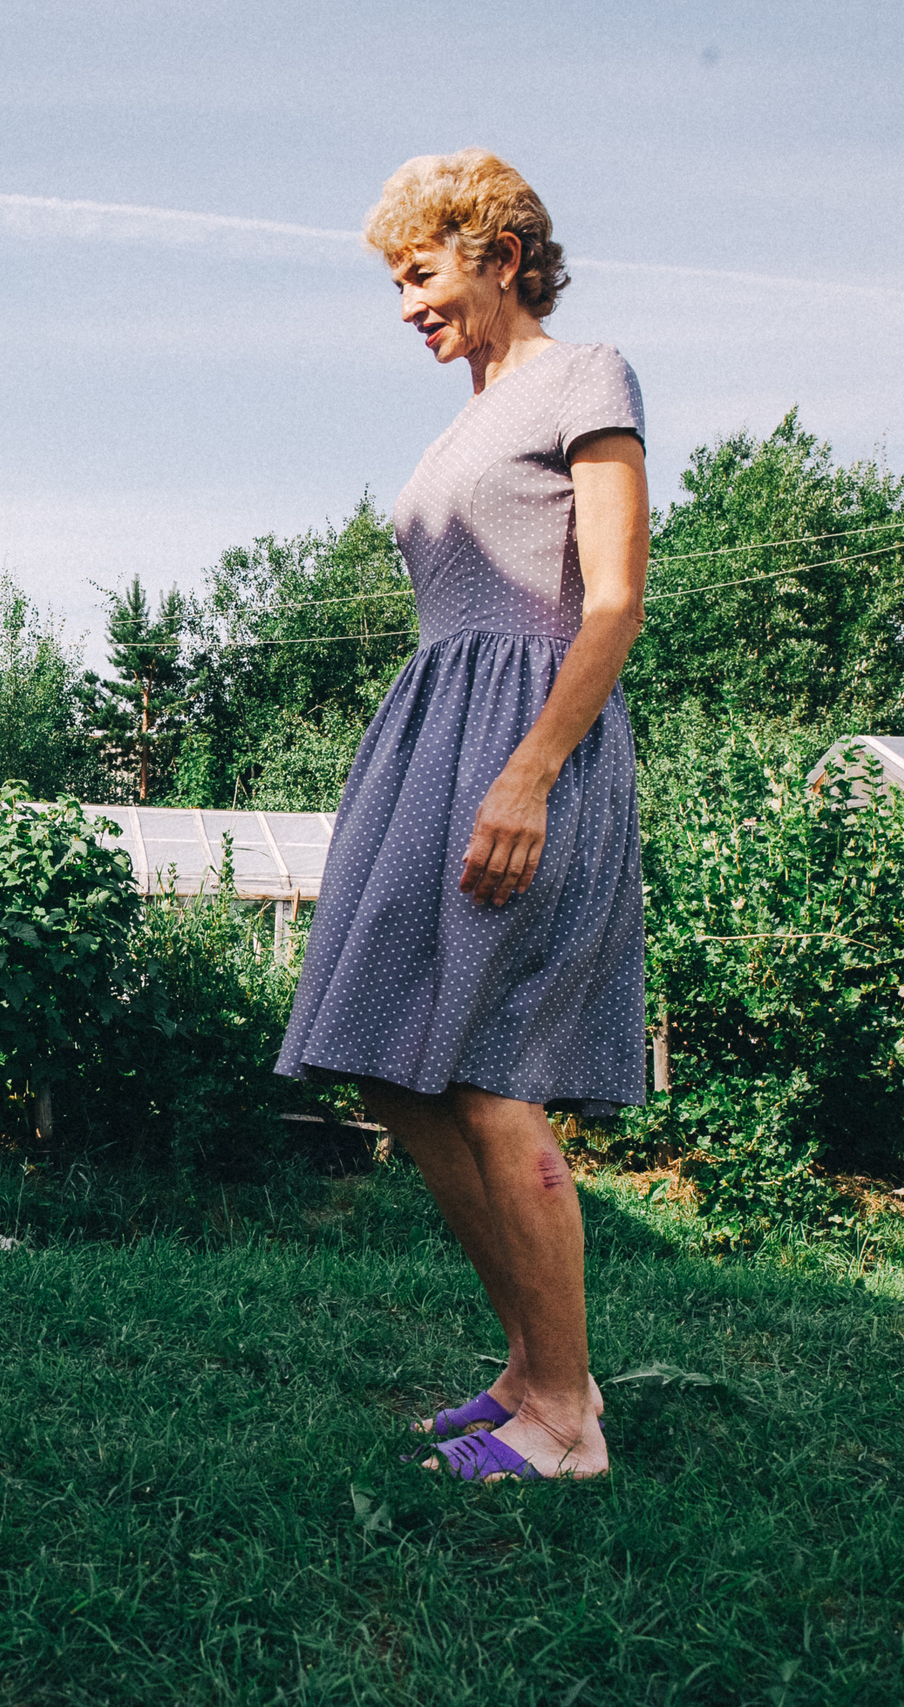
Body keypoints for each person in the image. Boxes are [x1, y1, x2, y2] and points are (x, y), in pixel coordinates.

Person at [274, 150, 649, 1482]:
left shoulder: (585, 376)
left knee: (492, 1077)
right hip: (433, 734)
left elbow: (610, 602)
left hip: (526, 745)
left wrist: (531, 770)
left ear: (497, 251)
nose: (405, 307)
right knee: (393, 1063)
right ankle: (534, 1368)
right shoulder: (464, 416)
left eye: (419, 274)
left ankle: (565, 1422)